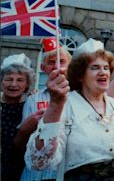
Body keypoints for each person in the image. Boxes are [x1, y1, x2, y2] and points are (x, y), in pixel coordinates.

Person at [24, 39, 114, 179]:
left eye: (106, 67)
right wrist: (55, 105)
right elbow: (39, 162)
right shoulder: (65, 105)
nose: (103, 72)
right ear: (80, 75)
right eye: (95, 68)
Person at [16, 37, 71, 181]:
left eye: (62, 61)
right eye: (51, 62)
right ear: (43, 68)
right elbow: (22, 144)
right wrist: (26, 128)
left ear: (70, 66)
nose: (57, 66)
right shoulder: (33, 99)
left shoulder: (79, 98)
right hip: (34, 175)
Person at [1, 53, 35, 181]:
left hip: (20, 171)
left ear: (27, 84)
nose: (13, 84)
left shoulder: (31, 107)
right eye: (9, 79)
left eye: (20, 80)